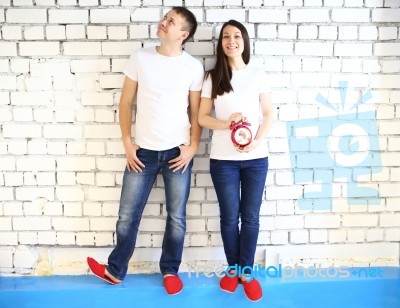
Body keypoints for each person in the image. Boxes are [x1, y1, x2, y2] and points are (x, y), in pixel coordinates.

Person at [87, 7, 204, 296]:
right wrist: (127, 142)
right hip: (143, 153)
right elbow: (126, 103)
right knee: (127, 215)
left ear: (183, 34)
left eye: (170, 21)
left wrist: (193, 148)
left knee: (176, 216)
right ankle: (115, 270)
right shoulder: (140, 58)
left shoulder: (193, 67)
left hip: (178, 153)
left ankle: (170, 271)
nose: (162, 23)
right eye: (164, 18)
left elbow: (197, 110)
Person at [198, 20, 273, 302]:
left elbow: (268, 114)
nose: (232, 40)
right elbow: (202, 118)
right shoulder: (212, 77)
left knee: (250, 216)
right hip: (223, 160)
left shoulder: (258, 73)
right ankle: (233, 268)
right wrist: (225, 122)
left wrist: (256, 141)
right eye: (226, 37)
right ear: (220, 43)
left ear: (244, 41)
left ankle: (247, 272)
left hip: (256, 159)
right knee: (229, 217)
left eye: (237, 36)